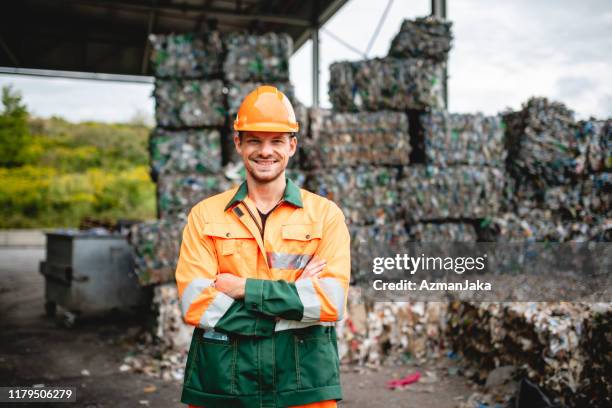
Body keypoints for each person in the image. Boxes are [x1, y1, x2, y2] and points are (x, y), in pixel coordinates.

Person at [175, 85, 351, 408]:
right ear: (239, 143)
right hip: (224, 383)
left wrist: (243, 288)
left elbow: (330, 302)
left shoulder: (326, 216)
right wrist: (293, 295)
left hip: (303, 382)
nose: (265, 151)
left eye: (276, 141)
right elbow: (195, 303)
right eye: (254, 140)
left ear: (292, 145)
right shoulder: (205, 216)